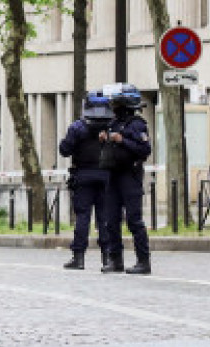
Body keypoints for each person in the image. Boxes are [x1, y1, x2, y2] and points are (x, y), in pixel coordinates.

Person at [99, 85, 152, 275]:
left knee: (133, 220)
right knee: (111, 220)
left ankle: (143, 261)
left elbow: (145, 150)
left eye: (117, 103)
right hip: (113, 176)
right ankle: (115, 260)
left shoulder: (137, 124)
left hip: (130, 175)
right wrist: (106, 139)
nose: (114, 106)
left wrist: (123, 140)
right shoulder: (113, 122)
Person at [58, 91, 112, 270]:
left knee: (83, 217)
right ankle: (107, 258)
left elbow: (64, 150)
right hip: (106, 177)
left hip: (83, 176)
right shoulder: (111, 126)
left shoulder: (77, 127)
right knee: (104, 218)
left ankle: (79, 258)